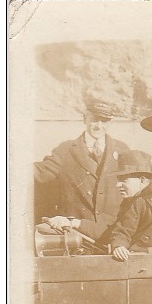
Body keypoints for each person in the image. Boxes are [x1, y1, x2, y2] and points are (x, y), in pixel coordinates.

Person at [34, 99, 130, 232]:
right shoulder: (65, 149)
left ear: (111, 123)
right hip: (74, 230)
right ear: (85, 119)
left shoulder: (122, 150)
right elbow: (41, 172)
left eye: (105, 121)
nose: (99, 125)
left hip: (110, 230)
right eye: (95, 119)